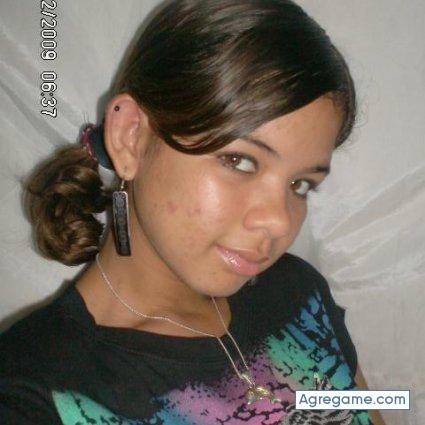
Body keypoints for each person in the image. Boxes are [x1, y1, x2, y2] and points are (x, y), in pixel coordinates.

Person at [0, 0, 385, 424]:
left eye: (300, 184)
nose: (279, 221)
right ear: (131, 138)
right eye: (240, 161)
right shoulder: (32, 391)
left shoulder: (297, 293)